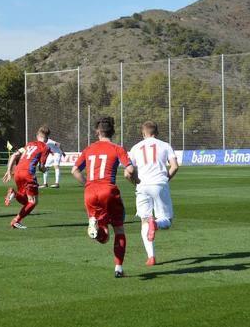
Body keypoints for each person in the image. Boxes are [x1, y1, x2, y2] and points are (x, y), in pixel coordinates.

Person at [71, 117, 134, 278]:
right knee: (119, 229)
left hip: (90, 192)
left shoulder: (89, 149)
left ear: (97, 132)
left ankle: (97, 227)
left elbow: (74, 171)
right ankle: (118, 268)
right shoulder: (117, 148)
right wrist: (137, 179)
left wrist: (87, 184)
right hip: (108, 190)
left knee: (104, 235)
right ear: (112, 131)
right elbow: (130, 169)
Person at [128, 121, 179, 267]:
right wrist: (165, 179)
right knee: (167, 220)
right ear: (156, 132)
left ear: (143, 133)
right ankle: (155, 223)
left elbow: (128, 171)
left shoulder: (136, 147)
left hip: (142, 186)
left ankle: (151, 257)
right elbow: (175, 166)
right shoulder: (165, 145)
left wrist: (135, 182)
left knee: (144, 220)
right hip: (159, 184)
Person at [2, 126, 51, 229]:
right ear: (46, 138)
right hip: (28, 174)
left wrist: (8, 171)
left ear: (37, 136)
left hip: (17, 172)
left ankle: (14, 194)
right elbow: (41, 167)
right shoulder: (45, 147)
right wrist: (45, 170)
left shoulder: (29, 145)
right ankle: (16, 221)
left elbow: (14, 155)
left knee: (26, 201)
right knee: (33, 202)